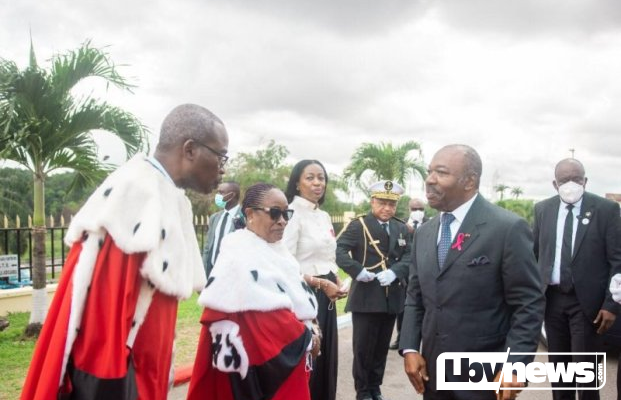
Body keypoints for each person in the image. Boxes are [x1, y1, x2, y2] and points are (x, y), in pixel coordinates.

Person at [21, 104, 228, 400]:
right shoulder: (136, 199)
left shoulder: (166, 195)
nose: (223, 167)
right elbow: (102, 334)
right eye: (221, 156)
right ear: (190, 150)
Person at [400, 144, 544, 400]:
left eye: (441, 172)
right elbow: (415, 296)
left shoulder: (507, 228)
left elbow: (528, 304)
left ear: (469, 181)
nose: (430, 179)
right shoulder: (424, 233)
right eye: (430, 171)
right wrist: (410, 347)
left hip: (485, 377)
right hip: (434, 375)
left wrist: (515, 365)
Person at [186, 183, 320, 400]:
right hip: (259, 372)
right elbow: (264, 319)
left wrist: (311, 326)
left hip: (288, 362)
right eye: (274, 213)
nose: (283, 221)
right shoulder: (240, 255)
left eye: (286, 213)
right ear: (250, 214)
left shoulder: (277, 250)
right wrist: (308, 338)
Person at [533, 158, 621, 400]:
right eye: (564, 180)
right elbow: (535, 254)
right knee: (560, 372)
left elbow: (618, 260)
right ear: (555, 184)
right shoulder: (543, 210)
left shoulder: (606, 210)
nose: (570, 184)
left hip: (589, 305)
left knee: (587, 375)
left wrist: (611, 304)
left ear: (585, 181)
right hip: (552, 301)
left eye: (576, 179)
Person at [336, 180, 411, 400]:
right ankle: (363, 391)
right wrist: (357, 271)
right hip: (366, 296)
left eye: (392, 204)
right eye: (382, 203)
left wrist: (396, 272)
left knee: (380, 348)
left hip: (391, 296)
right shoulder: (359, 225)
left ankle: (375, 387)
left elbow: (410, 255)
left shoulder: (400, 227)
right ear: (372, 202)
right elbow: (339, 250)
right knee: (363, 349)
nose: (387, 208)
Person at [283, 159, 347, 400]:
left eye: (321, 178)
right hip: (305, 293)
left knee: (326, 356)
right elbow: (286, 265)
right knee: (310, 357)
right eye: (310, 178)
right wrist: (321, 283)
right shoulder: (291, 214)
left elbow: (327, 255)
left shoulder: (324, 216)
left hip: (327, 293)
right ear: (297, 183)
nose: (317, 183)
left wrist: (336, 279)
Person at [389, 197, 427, 350]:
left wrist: (415, 231)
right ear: (409, 209)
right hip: (406, 273)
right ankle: (401, 338)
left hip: (426, 272)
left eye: (420, 209)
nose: (417, 211)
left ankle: (425, 339)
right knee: (404, 308)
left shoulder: (432, 224)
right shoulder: (401, 224)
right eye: (414, 209)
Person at [203, 181, 244, 277]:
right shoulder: (214, 218)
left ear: (232, 195)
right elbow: (208, 246)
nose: (217, 196)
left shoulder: (245, 217)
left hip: (232, 275)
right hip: (211, 272)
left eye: (221, 192)